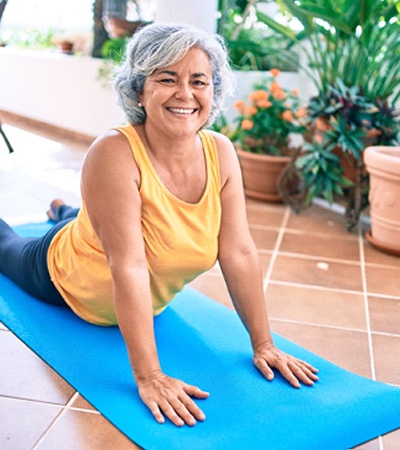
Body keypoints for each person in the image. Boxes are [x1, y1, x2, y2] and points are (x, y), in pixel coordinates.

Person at [0, 23, 318, 427]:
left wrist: (264, 344)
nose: (185, 94)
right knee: (6, 244)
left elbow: (238, 251)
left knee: (95, 219)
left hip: (122, 260)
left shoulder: (220, 152)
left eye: (198, 81)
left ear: (213, 91)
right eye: (167, 78)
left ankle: (69, 210)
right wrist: (149, 376)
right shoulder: (113, 153)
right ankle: (68, 218)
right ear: (138, 90)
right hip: (63, 275)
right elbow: (129, 265)